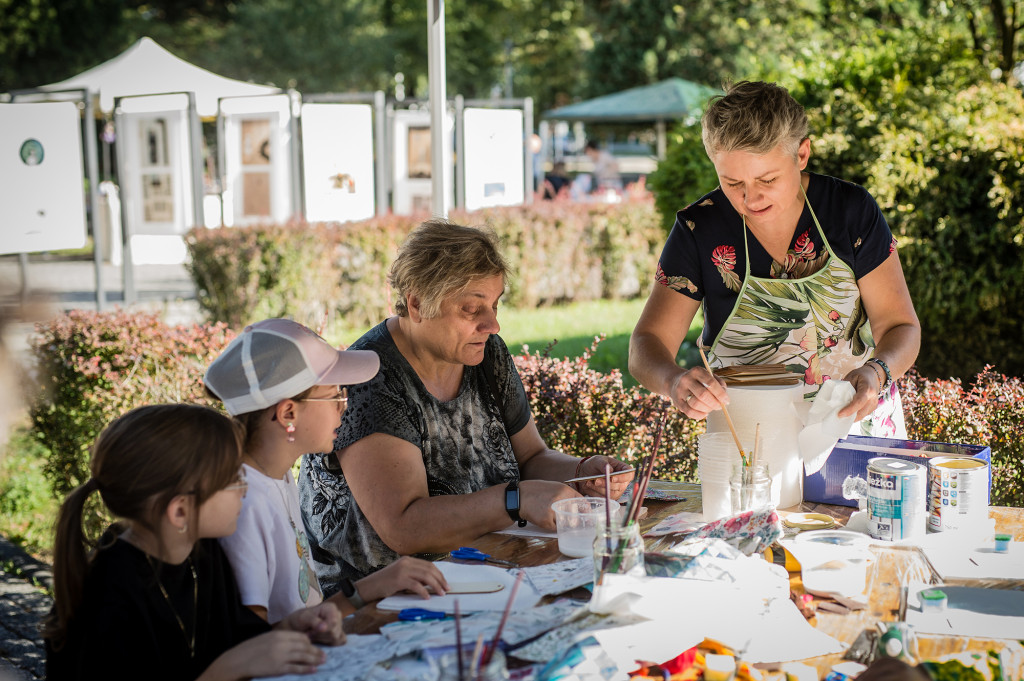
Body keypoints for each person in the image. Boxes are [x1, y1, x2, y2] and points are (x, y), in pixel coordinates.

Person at [299, 219, 634, 590]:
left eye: (494, 304)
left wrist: (586, 473)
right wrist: (516, 500)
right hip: (383, 600)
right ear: (417, 304)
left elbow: (531, 459)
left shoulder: (485, 354)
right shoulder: (371, 378)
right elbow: (403, 528)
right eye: (472, 309)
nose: (493, 324)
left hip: (484, 568)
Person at [629, 81, 921, 436]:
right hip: (750, 438)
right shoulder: (700, 229)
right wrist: (674, 381)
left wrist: (877, 372)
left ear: (801, 154)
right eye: (732, 182)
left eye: (767, 179)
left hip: (854, 425)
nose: (751, 198)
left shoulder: (849, 211)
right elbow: (646, 344)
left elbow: (900, 327)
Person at [44, 404, 344, 681]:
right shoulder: (108, 595)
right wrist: (228, 668)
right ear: (179, 511)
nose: (244, 489)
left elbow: (237, 639)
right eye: (233, 479)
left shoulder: (202, 552)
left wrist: (295, 627)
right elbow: (228, 661)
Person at [204, 318, 448, 623]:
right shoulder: (245, 504)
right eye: (335, 396)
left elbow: (302, 613)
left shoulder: (275, 475)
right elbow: (254, 646)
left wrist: (375, 585)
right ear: (288, 413)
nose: (344, 408)